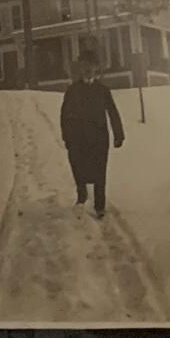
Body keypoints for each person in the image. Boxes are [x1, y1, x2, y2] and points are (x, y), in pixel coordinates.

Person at [60, 49, 125, 218]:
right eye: (84, 66)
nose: (88, 69)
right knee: (78, 168)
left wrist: (118, 134)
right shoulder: (73, 90)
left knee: (99, 172)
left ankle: (99, 206)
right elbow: (65, 115)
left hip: (99, 138)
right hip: (78, 138)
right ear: (80, 68)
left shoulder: (103, 90)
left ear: (96, 68)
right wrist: (67, 137)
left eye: (91, 66)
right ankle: (81, 195)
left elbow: (113, 112)